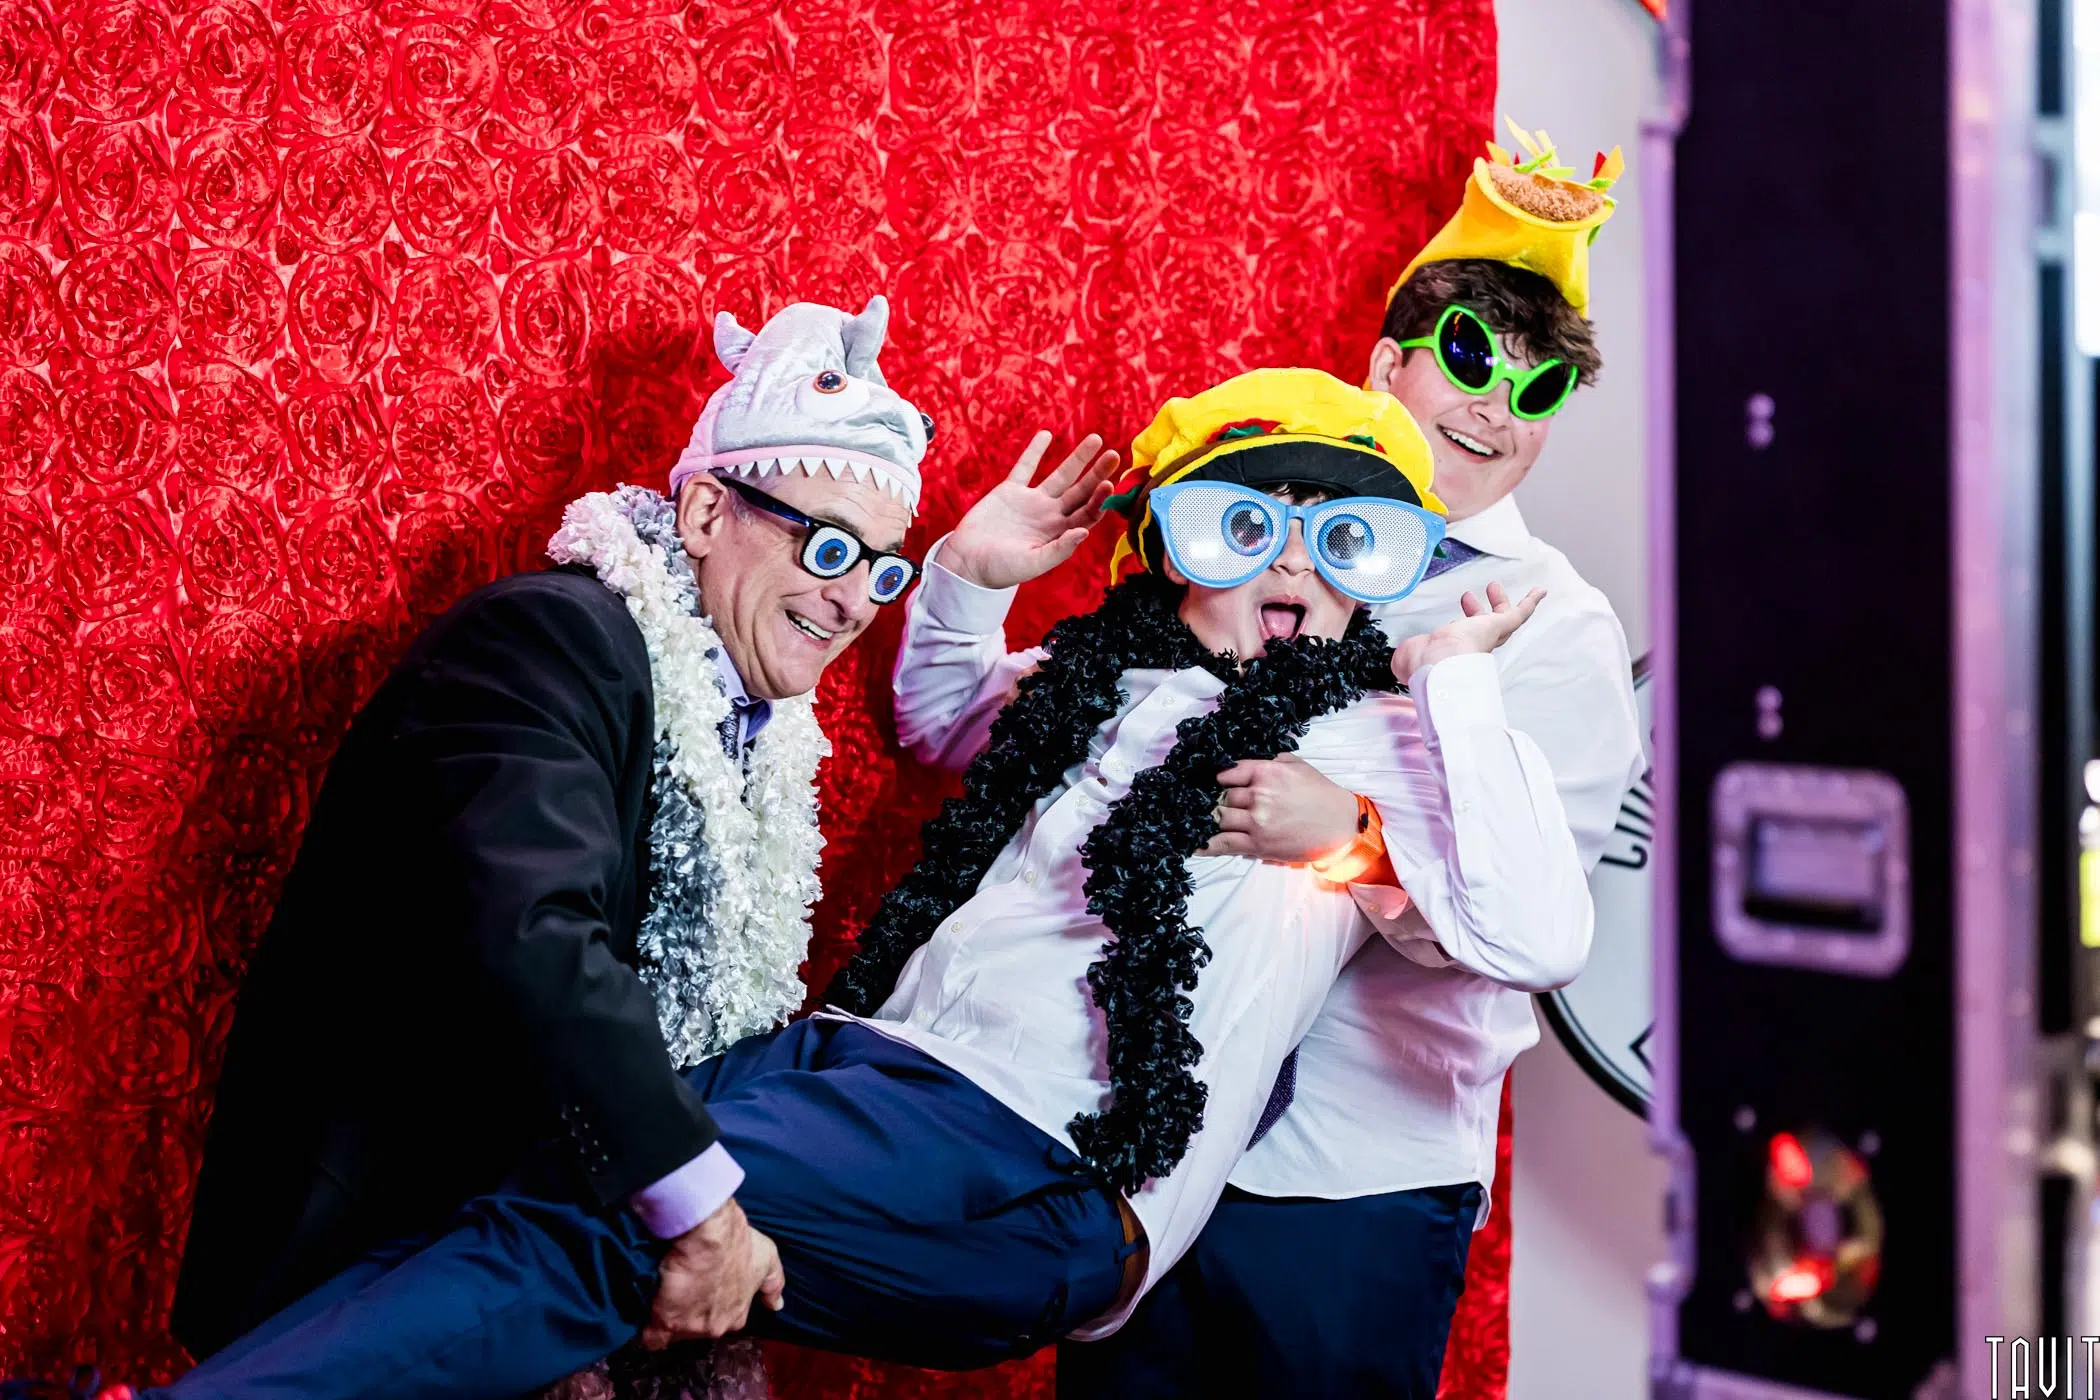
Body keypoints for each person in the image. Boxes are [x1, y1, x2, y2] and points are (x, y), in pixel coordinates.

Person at [102, 367, 1589, 1400]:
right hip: (856, 1064)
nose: (1298, 572)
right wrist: (967, 567)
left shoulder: (1384, 732)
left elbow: (1540, 930)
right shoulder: (1095, 678)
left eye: (1347, 544)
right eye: (1249, 524)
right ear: (1169, 550)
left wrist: (1434, 712)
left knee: (615, 1211)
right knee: (562, 1154)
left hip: (1040, 1166)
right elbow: (941, 716)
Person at [162, 296, 930, 1379]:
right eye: (832, 545)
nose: (856, 599)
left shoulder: (758, 734)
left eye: (884, 569)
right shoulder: (550, 638)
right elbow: (533, 929)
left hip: (573, 1277)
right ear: (708, 511)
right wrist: (703, 1209)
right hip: (394, 1267)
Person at [1012, 123, 1643, 1399]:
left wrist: (1350, 840)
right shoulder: (1254, 538)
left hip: (1353, 1173)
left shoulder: (1554, 627)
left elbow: (1527, 922)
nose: (1491, 405)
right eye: (1471, 356)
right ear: (1388, 363)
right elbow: (1046, 739)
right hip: (1149, 1138)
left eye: (1536, 390)